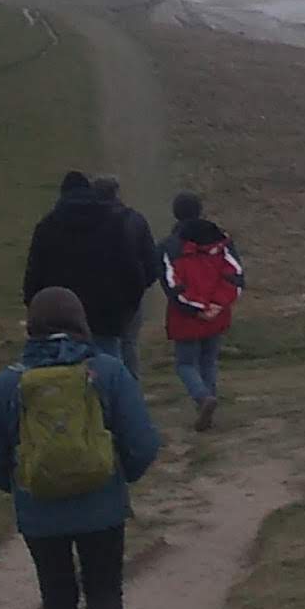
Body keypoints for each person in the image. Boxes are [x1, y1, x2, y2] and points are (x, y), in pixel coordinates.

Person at [0, 288, 161, 609]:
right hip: (102, 508)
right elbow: (143, 443)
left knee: (57, 599)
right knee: (104, 590)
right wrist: (120, 478)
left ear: (31, 327)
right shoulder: (107, 372)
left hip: (40, 515)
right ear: (80, 323)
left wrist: (22, 485)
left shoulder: (9, 383)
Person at [22, 171, 155, 360]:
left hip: (61, 317)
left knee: (62, 367)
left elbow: (34, 274)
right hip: (106, 315)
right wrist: (127, 307)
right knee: (110, 365)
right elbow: (131, 270)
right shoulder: (114, 223)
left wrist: (35, 308)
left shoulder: (47, 226)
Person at [159, 206, 245, 430]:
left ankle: (202, 398)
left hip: (186, 317)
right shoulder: (222, 241)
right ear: (200, 210)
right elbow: (235, 276)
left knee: (185, 364)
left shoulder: (170, 247)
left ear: (175, 213)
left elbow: (172, 285)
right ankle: (208, 409)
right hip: (216, 315)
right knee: (208, 361)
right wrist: (217, 304)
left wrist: (197, 308)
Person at [96, 176, 162, 376]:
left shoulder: (88, 221)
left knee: (102, 344)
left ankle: (107, 385)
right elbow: (151, 260)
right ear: (117, 193)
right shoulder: (135, 219)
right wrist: (141, 285)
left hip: (98, 293)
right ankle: (130, 388)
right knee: (129, 343)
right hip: (131, 292)